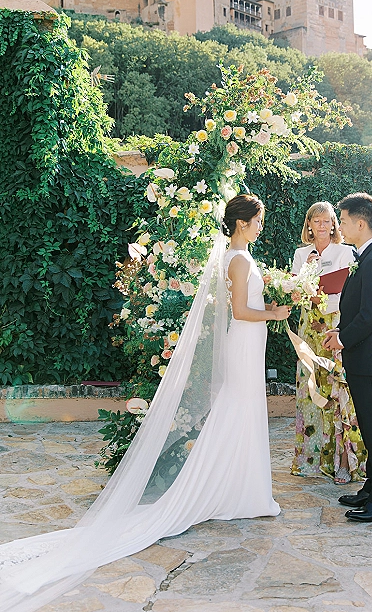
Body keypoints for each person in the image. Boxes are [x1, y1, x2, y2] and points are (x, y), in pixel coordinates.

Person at [0, 194, 290, 612]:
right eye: (259, 221)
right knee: (240, 410)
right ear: (243, 223)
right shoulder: (240, 260)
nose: (262, 226)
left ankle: (238, 487)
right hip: (245, 341)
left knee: (239, 411)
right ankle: (237, 490)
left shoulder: (233, 255)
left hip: (245, 345)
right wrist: (275, 313)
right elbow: (244, 311)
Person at [323, 192, 372, 523]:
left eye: (343, 220)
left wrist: (341, 338)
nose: (340, 225)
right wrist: (339, 332)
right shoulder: (363, 257)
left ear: (360, 222)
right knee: (370, 428)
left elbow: (371, 316)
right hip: (362, 358)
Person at [291, 202, 367, 484]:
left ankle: (344, 462)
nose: (322, 226)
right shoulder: (301, 254)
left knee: (338, 388)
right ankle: (312, 460)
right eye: (317, 221)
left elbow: (352, 290)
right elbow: (294, 292)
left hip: (336, 324)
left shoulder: (347, 252)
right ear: (308, 224)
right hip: (309, 326)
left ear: (335, 225)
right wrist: (306, 277)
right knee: (311, 387)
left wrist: (327, 299)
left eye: (328, 221)